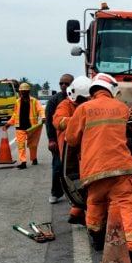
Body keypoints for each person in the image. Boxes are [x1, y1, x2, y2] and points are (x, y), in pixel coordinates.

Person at [65, 73, 132, 263]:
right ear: (111, 89)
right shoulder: (121, 107)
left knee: (95, 201)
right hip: (120, 167)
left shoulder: (83, 109)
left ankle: (96, 235)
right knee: (126, 204)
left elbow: (70, 139)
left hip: (94, 169)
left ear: (93, 89)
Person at [53, 76, 92, 225]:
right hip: (70, 151)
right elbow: (58, 121)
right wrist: (79, 120)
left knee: (81, 181)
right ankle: (82, 213)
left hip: (82, 149)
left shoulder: (86, 105)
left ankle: (76, 212)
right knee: (79, 181)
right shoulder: (65, 105)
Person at [45, 73, 74, 204]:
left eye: (66, 84)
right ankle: (55, 192)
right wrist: (51, 139)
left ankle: (73, 194)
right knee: (58, 167)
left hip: (75, 141)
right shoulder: (54, 100)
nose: (63, 85)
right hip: (59, 142)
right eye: (61, 83)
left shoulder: (76, 98)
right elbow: (50, 123)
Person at [3, 82, 46, 169]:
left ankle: (34, 158)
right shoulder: (17, 102)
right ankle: (23, 162)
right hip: (20, 126)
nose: (23, 93)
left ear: (28, 91)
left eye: (25, 91)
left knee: (32, 144)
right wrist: (9, 123)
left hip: (32, 127)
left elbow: (40, 110)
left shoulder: (34, 101)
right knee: (20, 145)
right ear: (20, 92)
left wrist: (43, 117)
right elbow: (15, 115)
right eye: (22, 91)